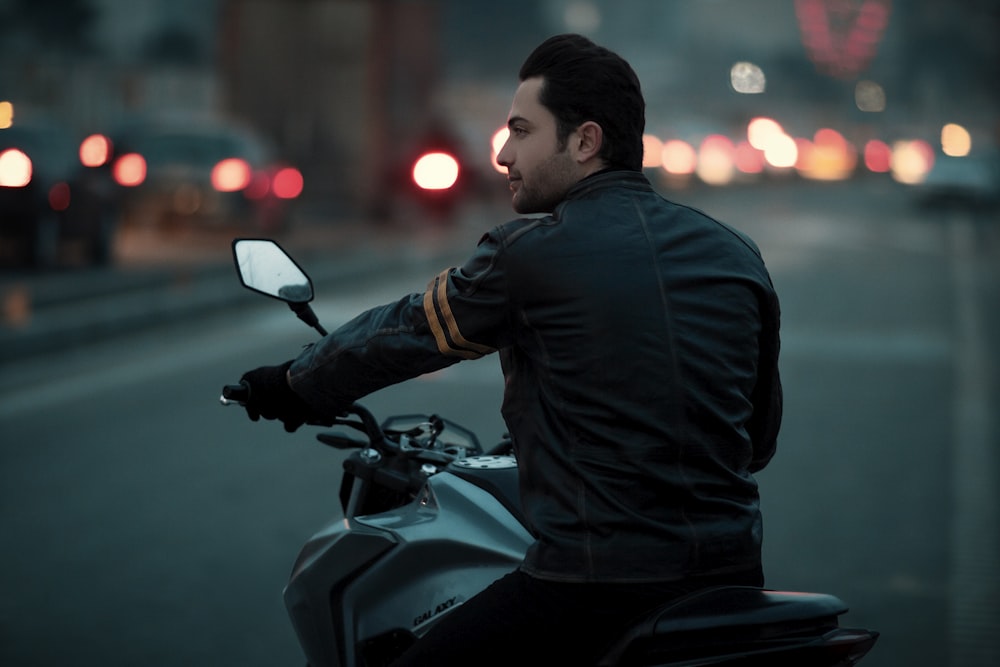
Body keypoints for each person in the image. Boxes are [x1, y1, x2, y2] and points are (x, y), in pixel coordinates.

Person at [238, 33, 782, 667]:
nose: (500, 154)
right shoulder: (735, 254)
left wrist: (293, 384)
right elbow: (757, 439)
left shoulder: (531, 253)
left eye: (521, 131)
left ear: (584, 141)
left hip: (593, 586)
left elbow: (406, 333)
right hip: (733, 579)